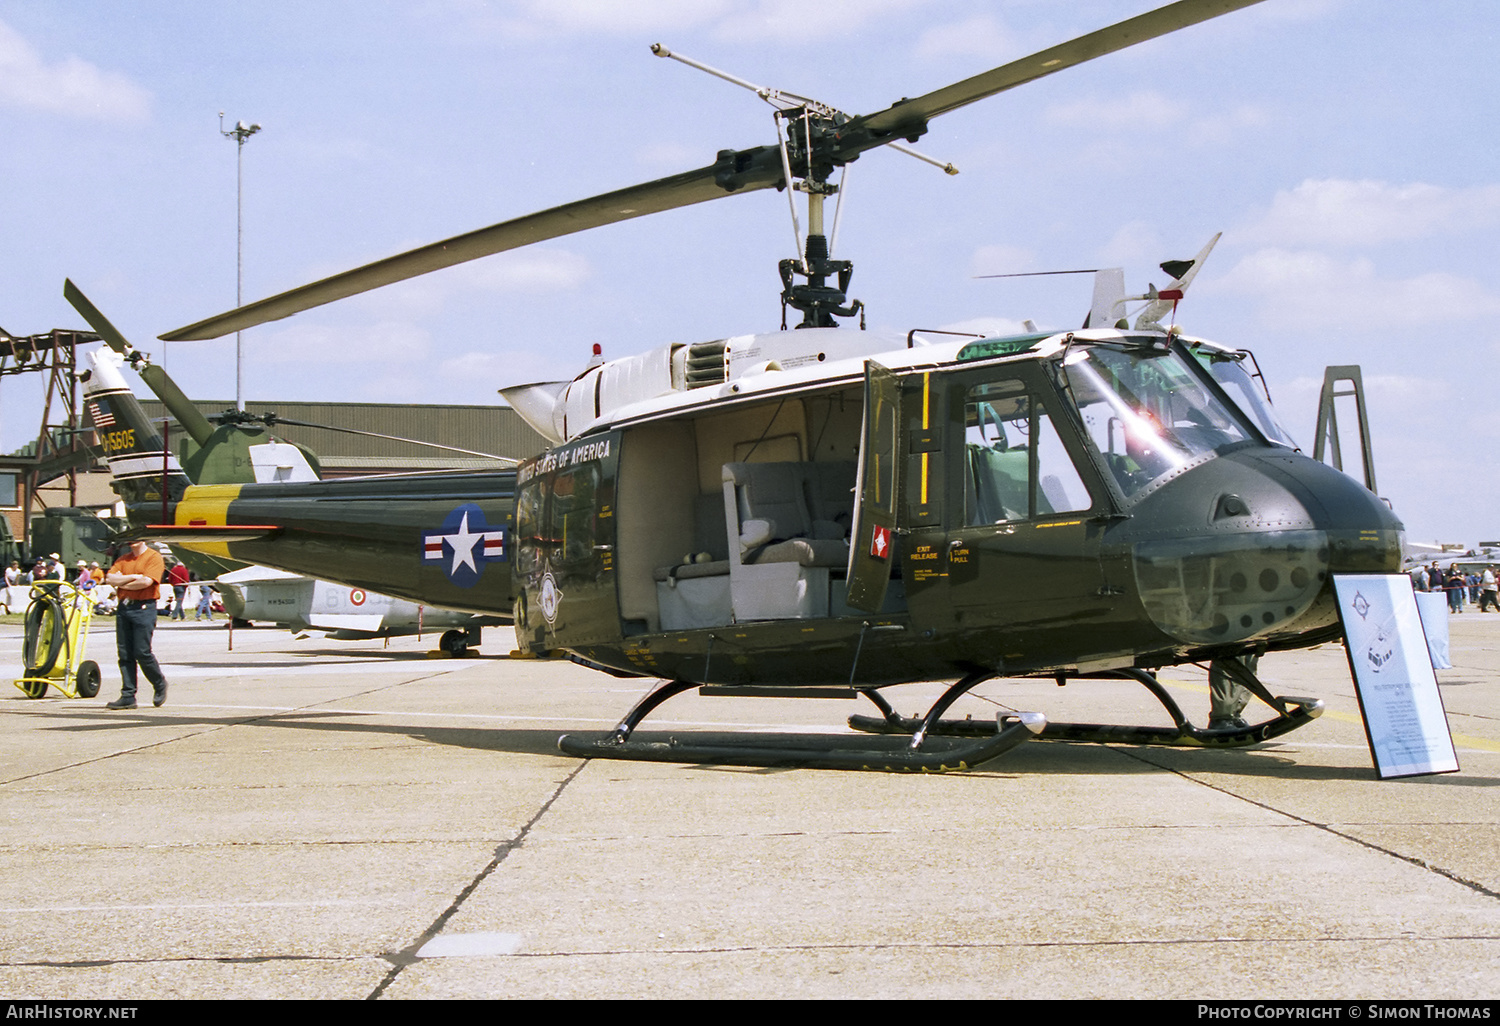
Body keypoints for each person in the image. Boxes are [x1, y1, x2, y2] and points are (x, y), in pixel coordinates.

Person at [104, 540, 169, 709]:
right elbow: (110, 578)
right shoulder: (123, 559)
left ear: (143, 540)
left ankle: (159, 683)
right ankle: (128, 695)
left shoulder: (153, 557)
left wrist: (122, 583)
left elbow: (147, 582)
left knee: (142, 651)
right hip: (125, 607)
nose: (131, 542)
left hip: (144, 607)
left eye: (135, 539)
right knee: (124, 653)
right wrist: (133, 577)